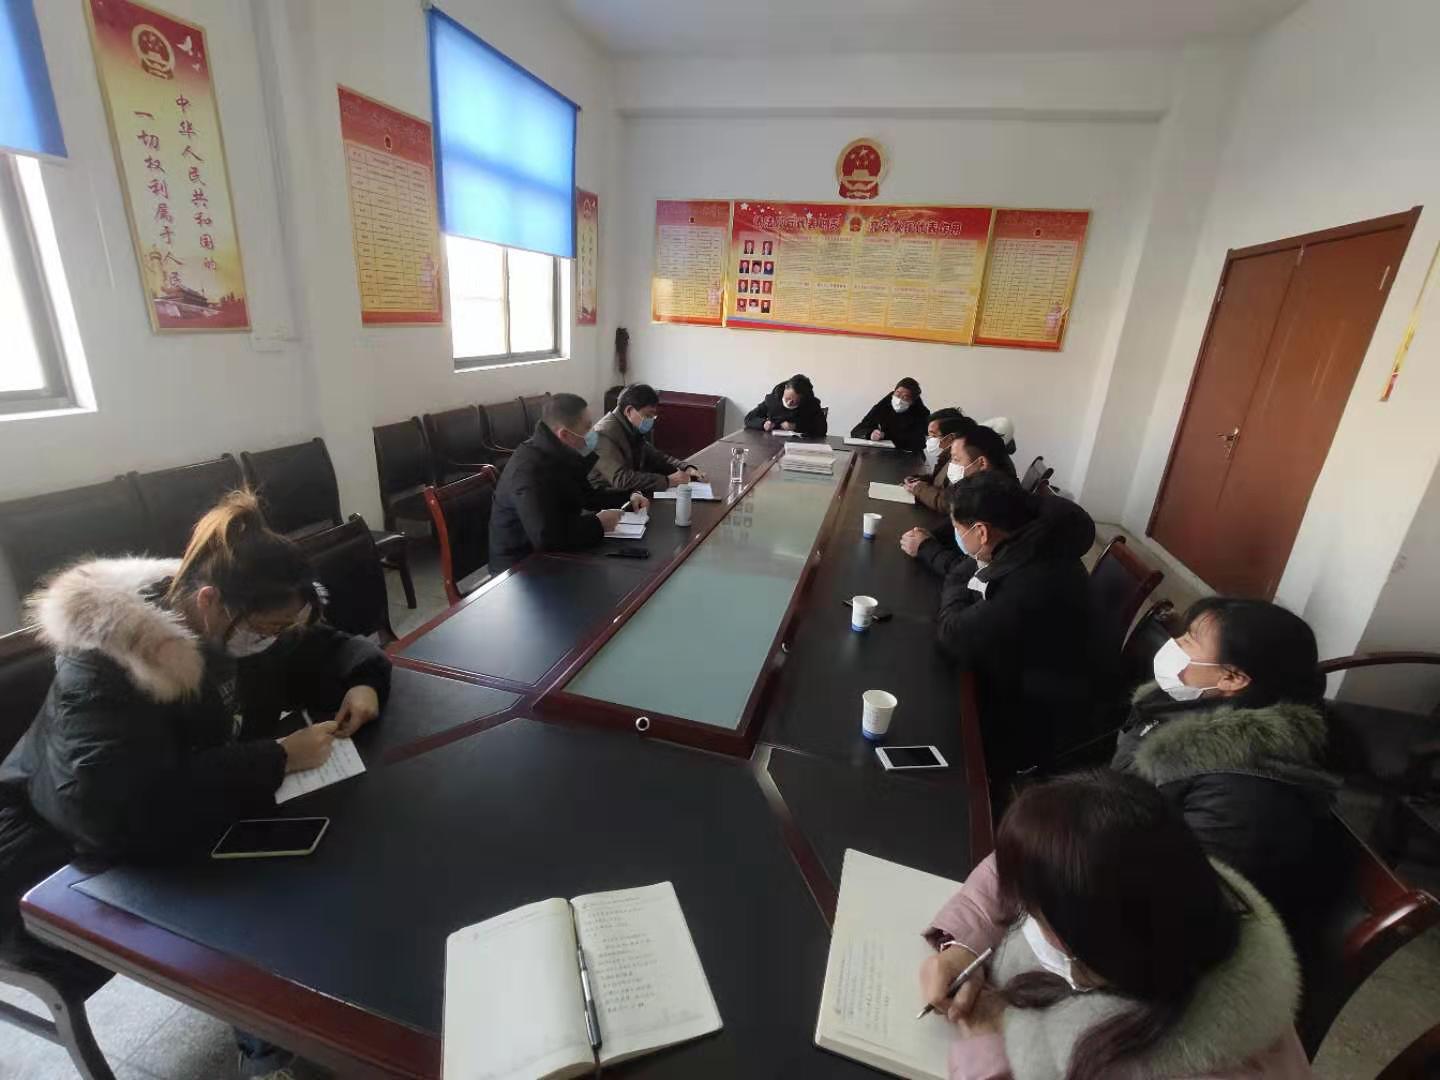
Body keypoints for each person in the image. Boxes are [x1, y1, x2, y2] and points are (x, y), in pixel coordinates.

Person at [0, 491, 392, 1080]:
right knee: (262, 893)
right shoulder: (104, 662)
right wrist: (275, 758)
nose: (273, 639)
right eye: (267, 628)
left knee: (316, 849)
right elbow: (109, 808)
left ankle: (296, 1019)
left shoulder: (236, 618)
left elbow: (320, 647)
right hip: (49, 860)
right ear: (211, 603)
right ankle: (268, 1055)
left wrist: (362, 680)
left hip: (160, 813)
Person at [919, 771, 1309, 1080]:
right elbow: (1024, 868)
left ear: (1095, 947)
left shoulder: (1205, 1065)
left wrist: (989, 1046)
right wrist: (962, 947)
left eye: (1035, 915)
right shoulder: (1163, 886)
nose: (1026, 919)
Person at [1113, 598, 1337, 935]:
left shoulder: (1244, 793)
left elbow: (1188, 903)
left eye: (1189, 640)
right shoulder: (1180, 703)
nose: (1174, 644)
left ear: (1232, 678)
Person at [924, 472, 1097, 778]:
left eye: (957, 529)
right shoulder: (1031, 540)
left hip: (1031, 711)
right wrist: (965, 580)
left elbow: (953, 634)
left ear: (981, 531)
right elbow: (962, 572)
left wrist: (960, 586)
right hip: (1029, 667)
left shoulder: (1032, 579)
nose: (956, 536)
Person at [489, 392, 649, 572]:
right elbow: (546, 537)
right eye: (587, 427)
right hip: (519, 568)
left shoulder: (562, 452)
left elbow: (588, 496)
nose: (593, 433)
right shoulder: (529, 470)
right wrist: (598, 524)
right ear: (564, 434)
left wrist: (629, 496)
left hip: (555, 552)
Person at [900, 422, 1018, 575]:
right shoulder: (979, 486)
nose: (951, 465)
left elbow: (976, 571)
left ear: (982, 463)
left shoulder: (998, 500)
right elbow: (958, 520)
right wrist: (929, 536)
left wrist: (925, 547)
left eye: (956, 459)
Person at [589, 383, 705, 495]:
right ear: (629, 411)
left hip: (630, 494)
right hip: (604, 499)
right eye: (648, 415)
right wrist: (668, 481)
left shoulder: (631, 428)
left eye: (653, 416)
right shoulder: (602, 434)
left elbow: (657, 457)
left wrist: (686, 468)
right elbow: (621, 479)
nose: (651, 420)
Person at [905, 410, 970, 512]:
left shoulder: (963, 460)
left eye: (934, 436)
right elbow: (942, 481)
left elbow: (950, 502)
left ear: (951, 438)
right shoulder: (946, 455)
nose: (929, 440)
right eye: (929, 435)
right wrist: (921, 480)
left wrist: (919, 488)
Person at [850, 376, 930, 451]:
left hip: (910, 457)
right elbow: (856, 431)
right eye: (897, 394)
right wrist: (870, 434)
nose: (899, 400)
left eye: (905, 397)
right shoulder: (883, 406)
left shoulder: (920, 413)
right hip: (881, 454)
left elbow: (920, 442)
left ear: (912, 402)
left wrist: (885, 435)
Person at [744, 373, 828, 438]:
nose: (789, 403)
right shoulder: (773, 399)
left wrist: (796, 426)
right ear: (785, 388)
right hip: (772, 443)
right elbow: (749, 419)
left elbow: (822, 429)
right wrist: (763, 424)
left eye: (794, 401)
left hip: (801, 445)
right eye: (787, 398)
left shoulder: (811, 404)